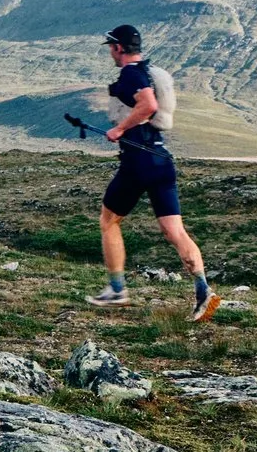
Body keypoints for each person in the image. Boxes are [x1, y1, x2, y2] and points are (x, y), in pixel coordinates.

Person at [85, 24, 216, 321]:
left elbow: (148, 104)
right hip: (161, 159)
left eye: (110, 47)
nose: (110, 52)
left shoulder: (131, 74)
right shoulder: (150, 71)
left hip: (138, 161)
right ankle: (203, 290)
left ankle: (117, 290)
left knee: (108, 220)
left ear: (118, 47)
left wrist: (119, 128)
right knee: (175, 231)